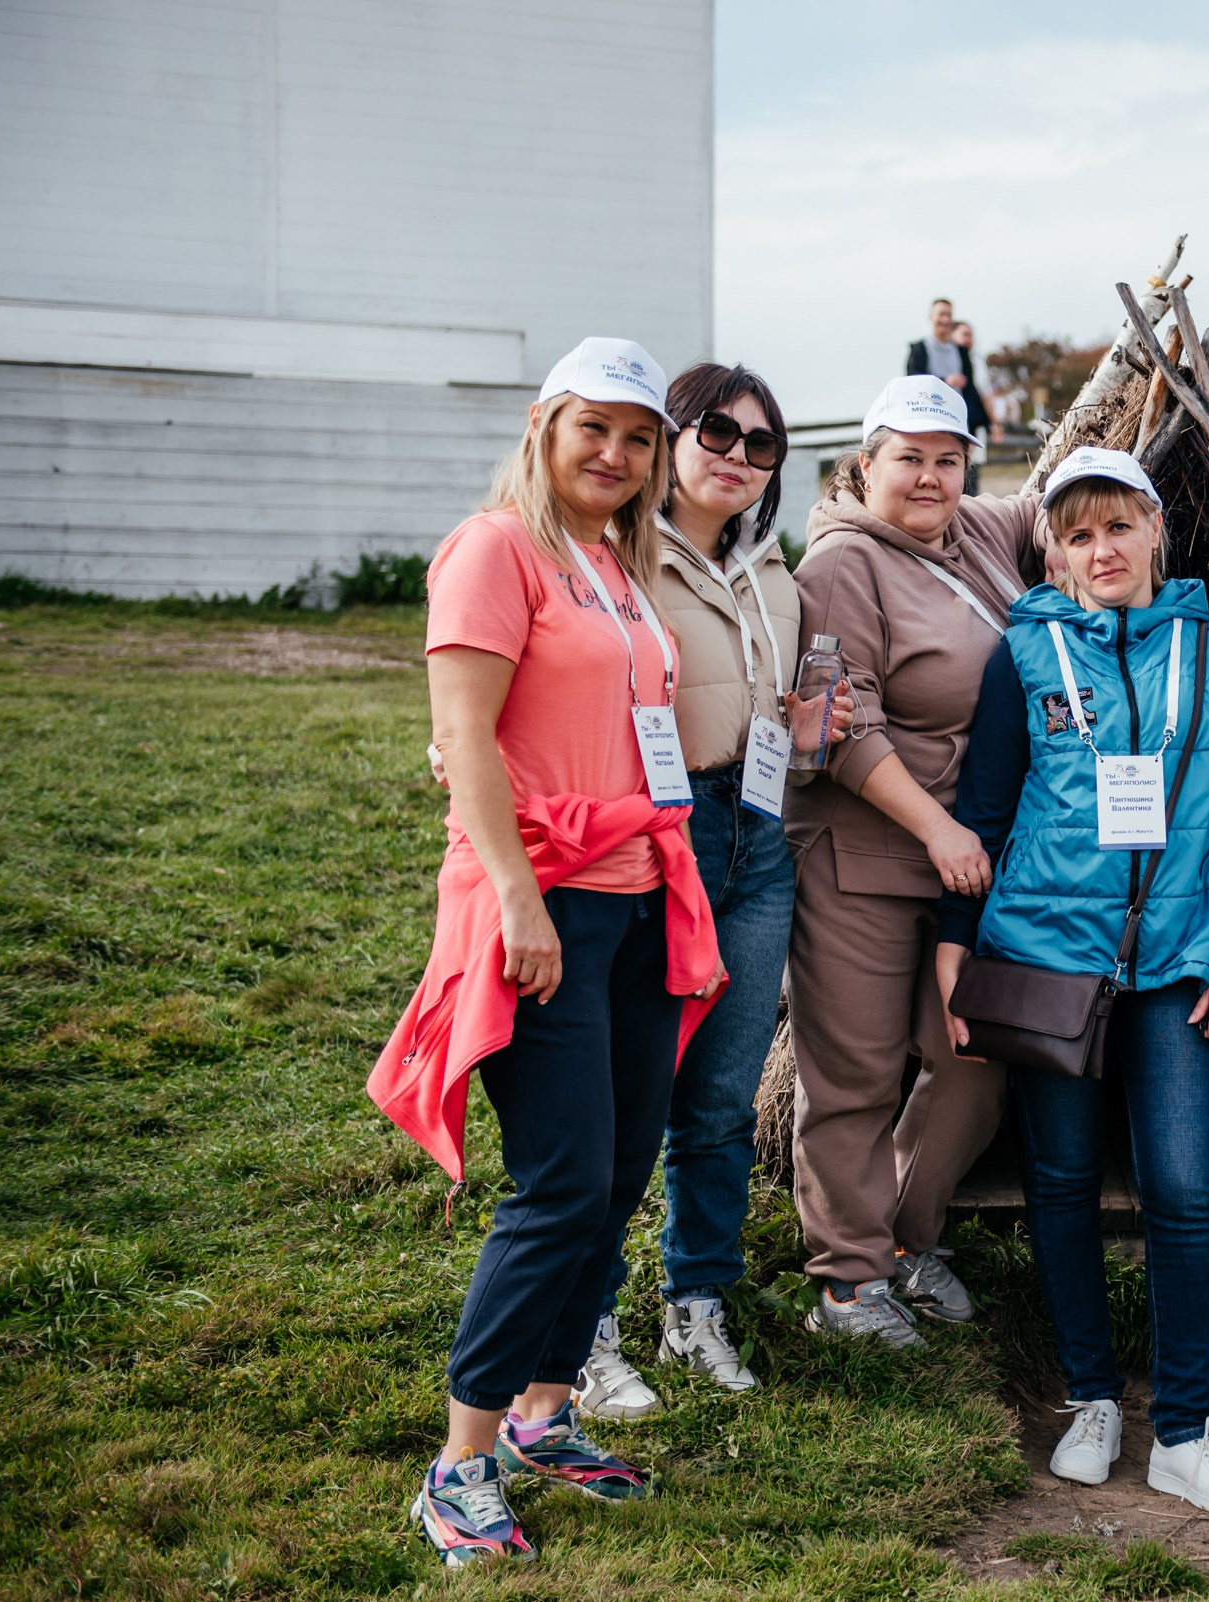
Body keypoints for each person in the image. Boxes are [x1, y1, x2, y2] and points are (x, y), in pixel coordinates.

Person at [379, 338, 720, 1566]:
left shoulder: (614, 567)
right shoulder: (496, 549)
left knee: (624, 1169)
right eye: (596, 431)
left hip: (633, 900)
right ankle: (460, 1462)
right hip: (542, 909)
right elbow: (461, 736)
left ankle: (544, 1409)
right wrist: (520, 902)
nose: (617, 457)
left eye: (638, 440)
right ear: (543, 425)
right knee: (562, 1183)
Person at [935, 447, 1209, 1515]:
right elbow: (985, 808)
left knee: (1184, 1189)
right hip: (1050, 958)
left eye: (1119, 527)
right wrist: (958, 952)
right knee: (1063, 1181)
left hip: (1182, 959)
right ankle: (1090, 1397)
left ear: (1155, 531)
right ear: (1054, 549)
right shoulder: (1025, 653)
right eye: (1079, 534)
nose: (1103, 550)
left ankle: (1180, 1427)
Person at [570, 362, 852, 1421]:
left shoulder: (773, 574)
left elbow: (789, 719)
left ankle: (697, 1304)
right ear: (671, 440)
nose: (738, 456)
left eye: (761, 443)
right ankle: (585, 1325)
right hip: (657, 836)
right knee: (624, 1101)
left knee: (722, 1101)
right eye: (716, 434)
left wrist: (812, 733)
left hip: (759, 836)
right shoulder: (615, 560)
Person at [785, 375, 1040, 1346]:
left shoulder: (978, 529)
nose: (930, 477)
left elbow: (1077, 494)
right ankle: (847, 1288)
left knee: (975, 1063)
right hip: (865, 851)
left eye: (949, 457)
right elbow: (845, 725)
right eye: (909, 457)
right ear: (867, 463)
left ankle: (901, 1238)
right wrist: (937, 829)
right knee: (852, 1072)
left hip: (971, 860)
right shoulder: (843, 564)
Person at [951, 320, 994, 494]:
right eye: (965, 334)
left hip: (974, 419)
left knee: (973, 468)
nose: (969, 339)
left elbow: (986, 393)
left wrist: (993, 422)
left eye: (971, 335)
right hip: (955, 420)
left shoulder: (977, 360)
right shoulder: (949, 359)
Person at [906, 298, 969, 392]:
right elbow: (913, 380)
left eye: (949, 315)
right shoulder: (919, 349)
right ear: (931, 316)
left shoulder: (961, 351)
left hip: (956, 405)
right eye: (941, 314)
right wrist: (945, 381)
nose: (945, 319)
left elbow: (970, 388)